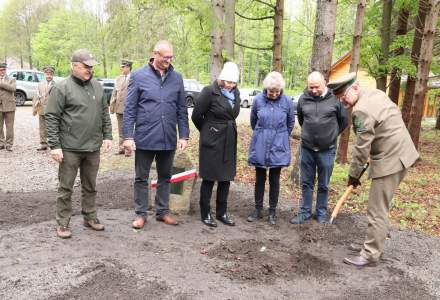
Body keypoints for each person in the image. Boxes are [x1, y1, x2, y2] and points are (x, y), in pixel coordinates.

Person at [328, 72, 419, 267]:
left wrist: (353, 175)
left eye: (344, 95)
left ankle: (370, 254)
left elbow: (361, 148)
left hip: (391, 161)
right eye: (339, 97)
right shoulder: (375, 94)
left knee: (377, 209)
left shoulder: (361, 111)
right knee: (380, 206)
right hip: (402, 153)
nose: (342, 101)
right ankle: (373, 243)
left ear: (355, 87)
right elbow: (388, 120)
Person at [45, 49, 113, 239]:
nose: (89, 70)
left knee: (90, 185)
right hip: (69, 148)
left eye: (91, 66)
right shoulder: (62, 87)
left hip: (93, 147)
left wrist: (108, 136)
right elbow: (51, 117)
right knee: (66, 187)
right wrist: (55, 146)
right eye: (86, 66)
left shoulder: (97, 87)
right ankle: (63, 223)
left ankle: (90, 216)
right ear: (74, 66)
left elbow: (104, 114)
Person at [123, 40, 189, 229]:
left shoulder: (176, 78)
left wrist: (183, 135)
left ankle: (162, 211)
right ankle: (141, 214)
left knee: (165, 176)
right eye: (165, 57)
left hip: (168, 136)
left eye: (171, 57)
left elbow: (182, 108)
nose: (169, 60)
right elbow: (130, 109)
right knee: (141, 177)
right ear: (155, 54)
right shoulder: (138, 76)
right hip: (145, 136)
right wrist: (128, 137)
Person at [290, 71, 348, 224]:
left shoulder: (335, 100)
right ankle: (305, 212)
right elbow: (302, 119)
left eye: (316, 87)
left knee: (323, 184)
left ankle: (321, 213)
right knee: (306, 182)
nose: (314, 90)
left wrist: (330, 135)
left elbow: (343, 122)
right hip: (307, 149)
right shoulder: (303, 99)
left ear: (324, 83)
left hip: (327, 150)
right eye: (311, 87)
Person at [191, 62, 241, 227]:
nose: (230, 85)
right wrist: (208, 131)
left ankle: (222, 212)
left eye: (233, 83)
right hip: (212, 140)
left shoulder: (236, 93)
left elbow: (232, 115)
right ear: (221, 79)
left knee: (225, 178)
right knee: (209, 178)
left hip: (228, 138)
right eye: (228, 82)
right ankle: (205, 212)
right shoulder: (209, 92)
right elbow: (197, 116)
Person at [247, 71, 295, 225]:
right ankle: (258, 209)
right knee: (259, 178)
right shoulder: (258, 100)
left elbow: (290, 123)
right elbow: (254, 121)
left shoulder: (287, 101)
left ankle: (272, 212)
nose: (274, 94)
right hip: (260, 142)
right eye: (271, 91)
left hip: (279, 144)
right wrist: (262, 134)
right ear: (266, 89)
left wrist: (280, 136)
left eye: (277, 91)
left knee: (275, 179)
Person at [110, 59, 132, 154]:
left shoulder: (134, 78)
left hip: (129, 108)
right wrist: (112, 105)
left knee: (128, 129)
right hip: (119, 108)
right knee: (120, 129)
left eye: (123, 67)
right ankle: (121, 148)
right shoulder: (118, 78)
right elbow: (114, 93)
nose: (121, 69)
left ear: (128, 67)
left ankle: (128, 150)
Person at [33, 66, 55, 151]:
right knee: (42, 127)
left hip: (51, 109)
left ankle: (52, 143)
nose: (49, 75)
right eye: (47, 74)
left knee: (51, 127)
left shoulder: (56, 85)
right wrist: (35, 108)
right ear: (44, 74)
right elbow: (36, 96)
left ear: (53, 74)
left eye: (50, 74)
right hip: (41, 108)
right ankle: (43, 144)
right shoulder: (40, 84)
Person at [0, 63, 16, 152]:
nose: (2, 71)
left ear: (5, 70)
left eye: (3, 70)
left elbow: (13, 88)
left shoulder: (12, 79)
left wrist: (1, 84)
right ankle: (1, 143)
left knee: (9, 126)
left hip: (10, 106)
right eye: (0, 70)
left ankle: (9, 144)